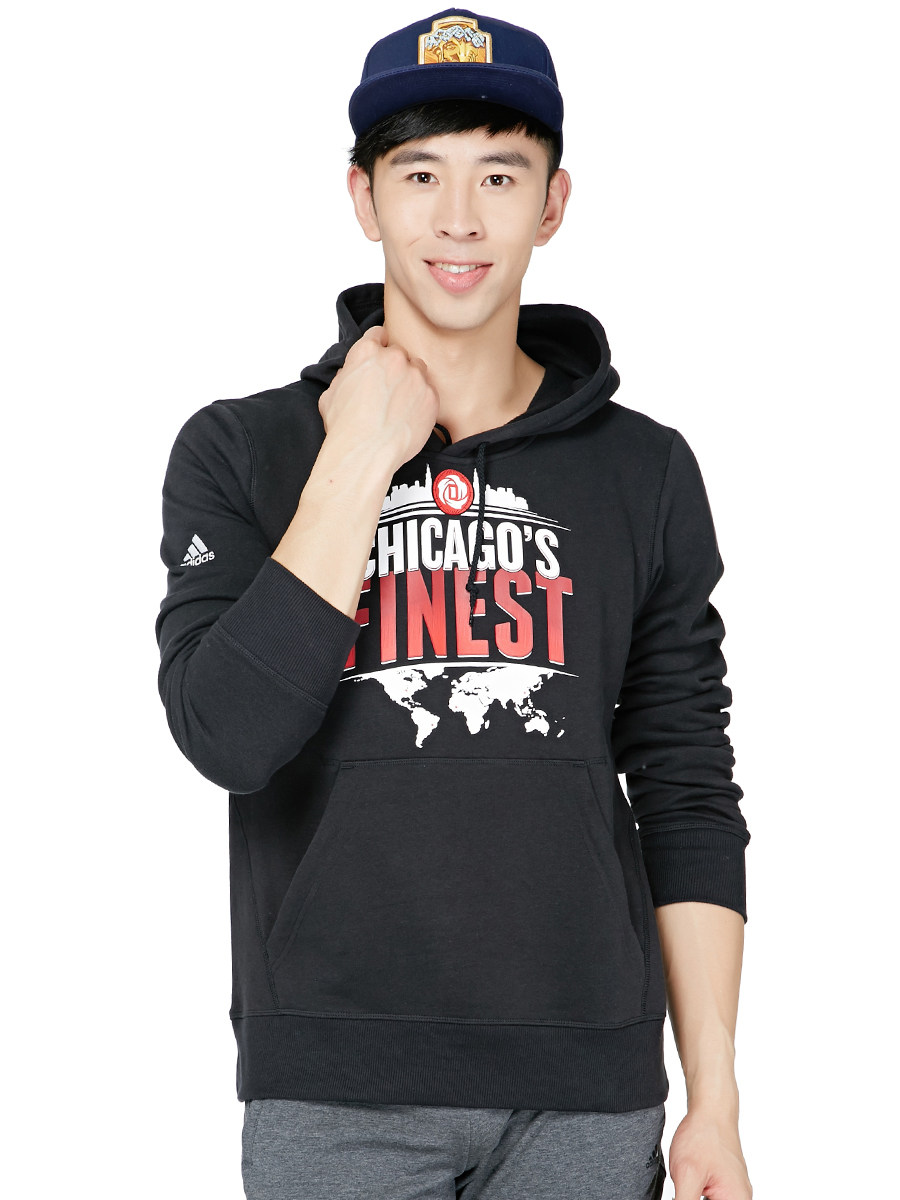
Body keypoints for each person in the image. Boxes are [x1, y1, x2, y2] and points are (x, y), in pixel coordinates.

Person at [156, 9, 752, 1199]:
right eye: (421, 175)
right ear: (364, 199)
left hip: (589, 1086)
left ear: (554, 203)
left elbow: (686, 781)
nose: (460, 219)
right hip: (333, 1083)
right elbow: (226, 736)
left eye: (501, 174)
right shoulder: (243, 449)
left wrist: (716, 1100)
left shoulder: (644, 470)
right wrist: (356, 457)